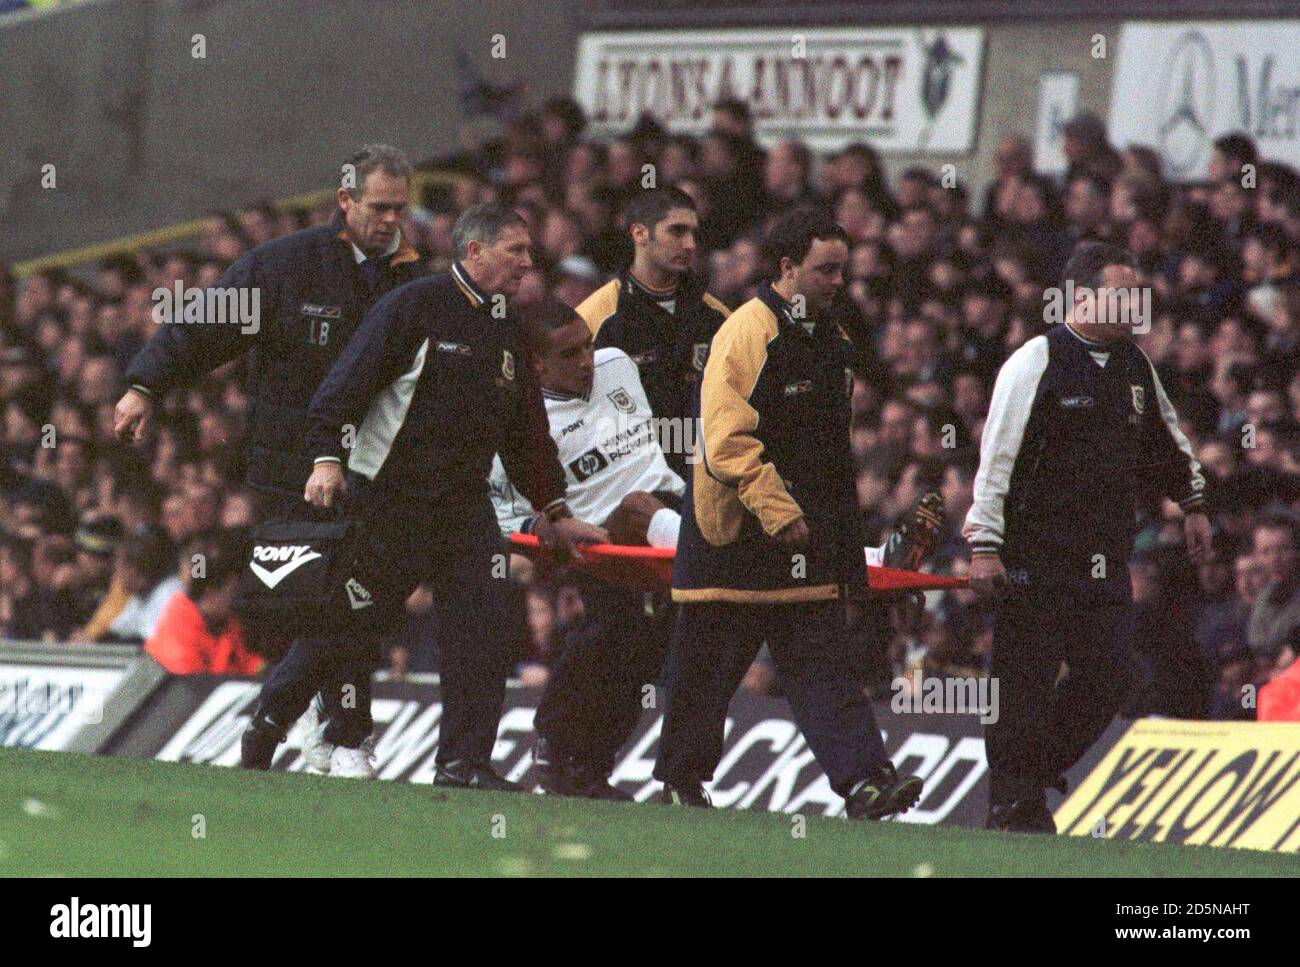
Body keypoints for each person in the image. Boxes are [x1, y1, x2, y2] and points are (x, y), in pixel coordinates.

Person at [241, 203, 589, 787]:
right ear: (474, 252)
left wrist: (553, 507)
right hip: (388, 500)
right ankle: (271, 719)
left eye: (530, 252)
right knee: (349, 622)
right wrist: (327, 458)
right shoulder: (413, 307)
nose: (529, 263)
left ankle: (463, 763)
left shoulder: (506, 323)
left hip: (463, 507)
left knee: (488, 621)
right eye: (516, 251)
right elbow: (341, 388)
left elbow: (525, 430)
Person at [653, 208, 924, 819]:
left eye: (842, 270)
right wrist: (778, 508)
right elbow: (725, 440)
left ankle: (865, 782)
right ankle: (680, 785)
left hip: (808, 538)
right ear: (786, 268)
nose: (837, 281)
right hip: (733, 536)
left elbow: (831, 456)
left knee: (824, 667)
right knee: (705, 676)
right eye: (825, 269)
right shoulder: (748, 331)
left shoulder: (835, 338)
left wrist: (841, 543)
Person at [963, 241, 1211, 833]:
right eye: (1121, 293)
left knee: (1111, 673)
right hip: (1033, 554)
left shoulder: (1135, 367)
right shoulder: (1035, 361)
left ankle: (1032, 772)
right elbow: (996, 458)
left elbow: (1165, 442)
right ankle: (1013, 803)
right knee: (1022, 677)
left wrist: (1194, 502)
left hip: (1103, 556)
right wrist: (984, 542)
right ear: (1080, 296)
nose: (1135, 307)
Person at [489, 298, 683, 799]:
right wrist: (546, 526)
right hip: (602, 543)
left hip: (672, 509)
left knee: (642, 652)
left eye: (588, 345)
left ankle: (590, 770)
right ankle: (554, 742)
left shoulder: (620, 364)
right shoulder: (521, 423)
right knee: (614, 630)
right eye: (570, 353)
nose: (587, 360)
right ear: (537, 364)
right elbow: (507, 510)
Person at [577, 187, 731, 479]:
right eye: (677, 231)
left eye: (693, 233)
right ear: (640, 234)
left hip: (705, 478)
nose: (689, 244)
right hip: (629, 484)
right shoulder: (595, 318)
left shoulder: (717, 317)